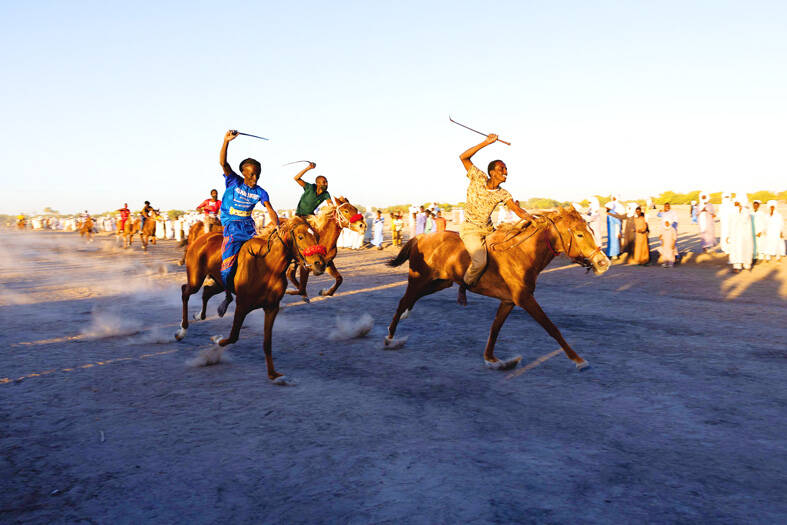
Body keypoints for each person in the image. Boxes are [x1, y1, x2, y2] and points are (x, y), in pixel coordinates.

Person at [457, 133, 533, 305]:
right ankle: (464, 286)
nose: (505, 172)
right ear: (491, 172)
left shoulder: (503, 193)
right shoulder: (478, 176)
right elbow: (463, 157)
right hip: (471, 230)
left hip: (489, 230)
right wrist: (486, 142)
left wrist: (532, 218)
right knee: (480, 261)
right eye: (501, 169)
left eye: (506, 169)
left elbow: (516, 209)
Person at [218, 129, 279, 289]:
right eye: (251, 174)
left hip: (249, 227)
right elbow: (223, 163)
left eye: (257, 175)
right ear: (243, 173)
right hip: (231, 226)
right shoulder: (233, 181)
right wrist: (226, 141)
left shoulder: (260, 191)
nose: (254, 178)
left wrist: (277, 224)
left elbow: (270, 209)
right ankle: (227, 291)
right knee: (227, 266)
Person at [727, 197, 754, 272]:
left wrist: (740, 210)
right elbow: (730, 223)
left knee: (746, 248)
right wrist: (728, 235)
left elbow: (744, 220)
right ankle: (736, 266)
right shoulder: (732, 211)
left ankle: (747, 265)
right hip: (735, 234)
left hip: (745, 235)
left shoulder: (746, 211)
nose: (735, 204)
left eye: (736, 202)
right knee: (735, 249)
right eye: (735, 203)